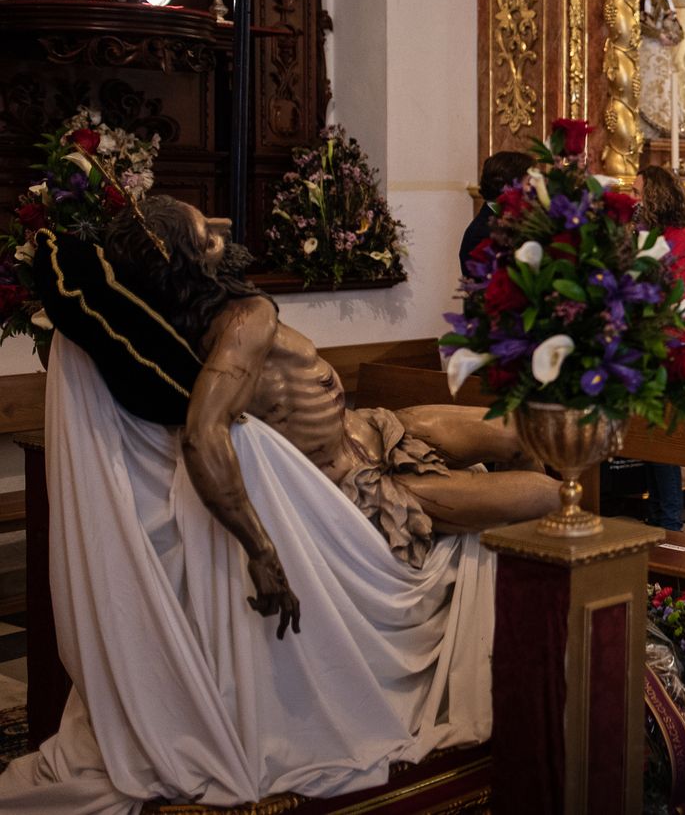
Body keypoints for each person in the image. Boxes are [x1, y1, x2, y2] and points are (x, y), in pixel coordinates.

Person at [1, 197, 560, 812]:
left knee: (523, 431)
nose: (224, 226)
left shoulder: (200, 314)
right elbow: (201, 433)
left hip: (376, 428)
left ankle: (532, 601)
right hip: (359, 487)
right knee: (546, 495)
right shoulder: (245, 317)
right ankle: (553, 627)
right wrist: (262, 550)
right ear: (189, 259)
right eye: (206, 232)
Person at [633, 164, 685, 532]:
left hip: (671, 349)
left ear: (656, 196)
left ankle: (670, 522)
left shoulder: (682, 238)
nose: (634, 199)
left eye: (638, 192)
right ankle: (655, 517)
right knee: (649, 439)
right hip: (643, 348)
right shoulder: (644, 236)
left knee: (663, 442)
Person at [460, 150, 532, 276]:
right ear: (509, 187)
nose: (532, 189)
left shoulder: (514, 218)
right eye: (528, 182)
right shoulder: (480, 233)